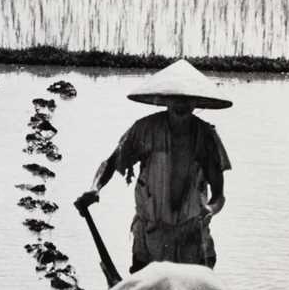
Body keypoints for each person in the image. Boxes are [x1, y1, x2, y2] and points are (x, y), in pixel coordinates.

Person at [73, 59, 231, 273]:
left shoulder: (207, 138)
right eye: (176, 99)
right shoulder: (145, 130)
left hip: (192, 238)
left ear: (196, 102)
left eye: (187, 100)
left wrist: (209, 210)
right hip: (151, 235)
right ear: (166, 100)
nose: (181, 105)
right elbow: (111, 161)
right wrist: (94, 189)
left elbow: (219, 196)